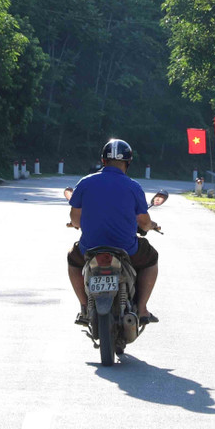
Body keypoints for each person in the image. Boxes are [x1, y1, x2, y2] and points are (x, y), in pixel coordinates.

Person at [66, 138, 161, 326]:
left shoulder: (85, 183)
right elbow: (143, 222)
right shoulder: (133, 187)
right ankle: (142, 308)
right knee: (151, 258)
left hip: (89, 248)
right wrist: (150, 226)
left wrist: (77, 224)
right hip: (127, 250)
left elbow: (75, 219)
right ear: (128, 163)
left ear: (103, 161)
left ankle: (85, 307)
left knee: (72, 259)